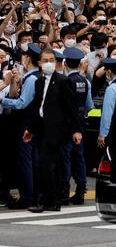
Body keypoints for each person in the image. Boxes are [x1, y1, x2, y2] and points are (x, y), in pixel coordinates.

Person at [22, 48, 82, 212]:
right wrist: (30, 129)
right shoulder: (39, 81)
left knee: (48, 165)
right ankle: (51, 200)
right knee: (44, 165)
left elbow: (72, 107)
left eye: (51, 60)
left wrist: (76, 130)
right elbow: (38, 106)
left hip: (56, 130)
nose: (48, 63)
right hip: (42, 129)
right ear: (40, 63)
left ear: (56, 62)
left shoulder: (63, 81)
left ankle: (49, 201)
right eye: (45, 60)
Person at [0, 43, 41, 209]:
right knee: (31, 160)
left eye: (24, 56)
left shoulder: (32, 78)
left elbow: (22, 103)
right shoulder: (36, 76)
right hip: (31, 122)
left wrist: (3, 100)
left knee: (26, 160)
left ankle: (27, 197)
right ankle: (32, 194)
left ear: (28, 59)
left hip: (25, 123)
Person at [59, 47, 93, 205]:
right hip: (80, 123)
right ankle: (80, 190)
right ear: (79, 64)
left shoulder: (66, 82)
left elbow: (66, 107)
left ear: (65, 63)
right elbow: (88, 106)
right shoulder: (84, 81)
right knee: (79, 158)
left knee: (65, 159)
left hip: (67, 126)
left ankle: (64, 191)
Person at [98, 58, 116, 149]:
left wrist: (102, 134)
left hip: (113, 131)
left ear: (109, 71)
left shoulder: (112, 88)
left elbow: (107, 113)